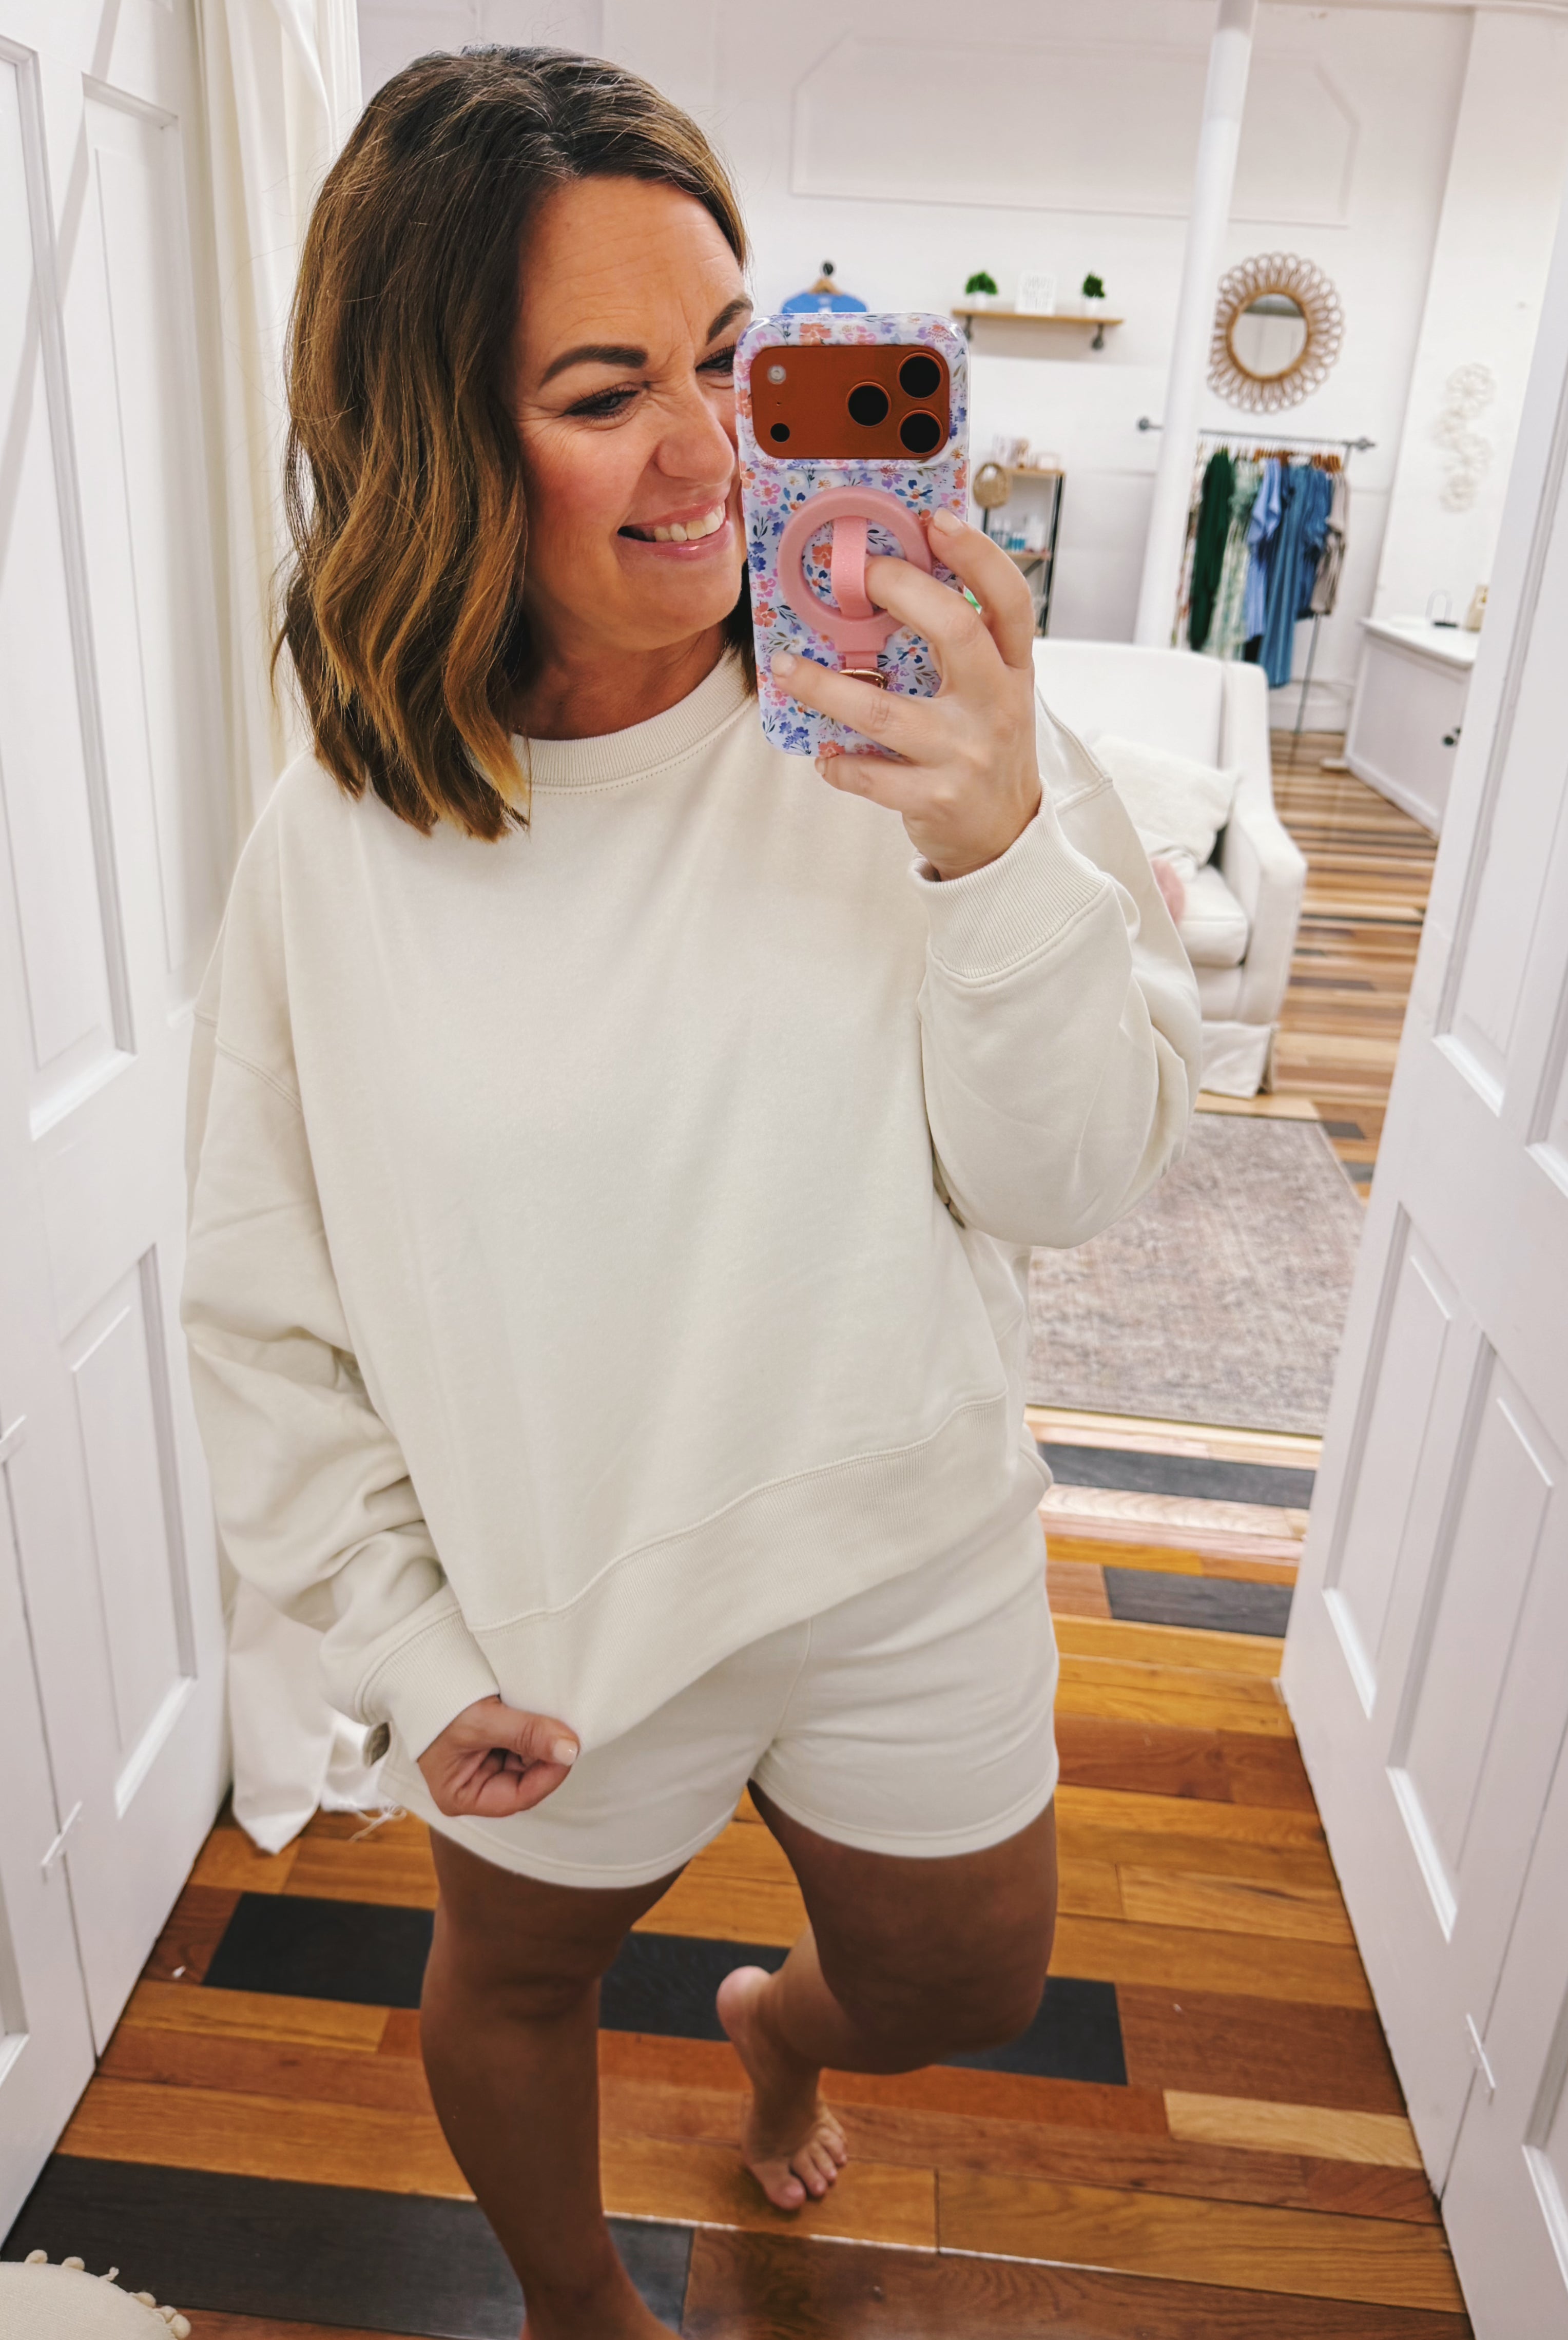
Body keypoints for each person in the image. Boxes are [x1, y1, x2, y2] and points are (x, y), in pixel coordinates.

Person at [182, 46, 1201, 2340]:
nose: (714, 450)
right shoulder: (338, 847)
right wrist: (407, 1646)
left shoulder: (921, 720)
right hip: (557, 1607)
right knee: (512, 1980)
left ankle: (773, 2033)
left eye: (737, 355)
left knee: (960, 1985)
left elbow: (1068, 1183)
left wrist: (993, 845)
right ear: (440, 438)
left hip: (895, 1535)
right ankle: (577, 2310)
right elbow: (262, 1306)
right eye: (602, 391)